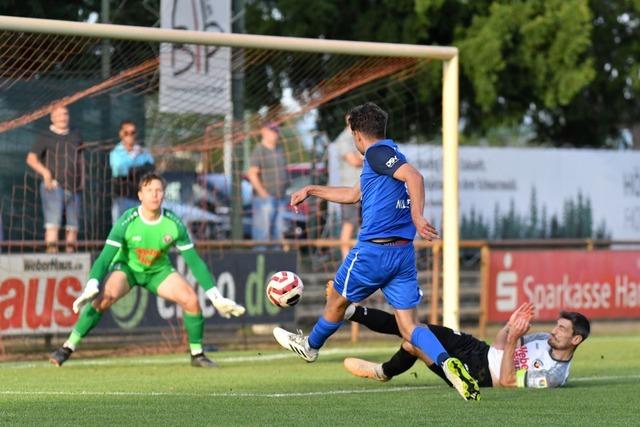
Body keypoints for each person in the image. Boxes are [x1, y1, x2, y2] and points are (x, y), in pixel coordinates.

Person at [273, 102, 480, 401]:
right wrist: (312, 189)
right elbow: (354, 195)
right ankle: (448, 363)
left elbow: (415, 177)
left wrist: (418, 217)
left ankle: (310, 347)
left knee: (336, 301)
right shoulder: (388, 156)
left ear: (357, 135)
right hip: (402, 254)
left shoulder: (375, 153)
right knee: (410, 327)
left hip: (373, 252)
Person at [49, 173, 245, 368]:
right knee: (104, 298)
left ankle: (197, 355)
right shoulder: (127, 220)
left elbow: (194, 262)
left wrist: (215, 296)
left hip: (158, 271)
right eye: (149, 190)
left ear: (164, 195)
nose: (154, 195)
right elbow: (105, 257)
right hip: (128, 269)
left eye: (158, 190)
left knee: (192, 300)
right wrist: (92, 284)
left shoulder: (173, 223)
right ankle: (68, 347)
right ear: (140, 195)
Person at [343, 302, 590, 389]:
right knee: (416, 328)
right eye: (557, 325)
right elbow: (500, 346)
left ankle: (382, 372)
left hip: (476, 375)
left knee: (412, 344)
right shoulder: (542, 339)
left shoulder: (554, 375)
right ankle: (351, 310)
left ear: (576, 340)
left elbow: (506, 382)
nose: (554, 331)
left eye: (562, 329)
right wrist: (509, 327)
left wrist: (513, 339)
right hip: (480, 349)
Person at [26, 105, 83, 253]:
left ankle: (71, 265)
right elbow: (31, 159)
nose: (62, 117)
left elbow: (80, 159)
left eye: (65, 114)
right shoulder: (45, 135)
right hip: (53, 188)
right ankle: (53, 262)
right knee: (53, 226)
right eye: (58, 115)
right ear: (52, 117)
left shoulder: (76, 134)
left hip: (75, 189)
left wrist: (81, 181)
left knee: (73, 229)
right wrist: (45, 173)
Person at [246, 122, 289, 242]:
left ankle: (275, 261)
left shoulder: (280, 150)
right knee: (262, 234)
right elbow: (252, 173)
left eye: (276, 131)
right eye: (272, 131)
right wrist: (263, 194)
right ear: (264, 132)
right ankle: (260, 260)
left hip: (280, 198)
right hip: (264, 199)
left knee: (278, 233)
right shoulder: (259, 150)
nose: (275, 134)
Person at [109, 120, 155, 224]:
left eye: (132, 132)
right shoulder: (116, 152)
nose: (129, 135)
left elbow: (151, 166)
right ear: (121, 134)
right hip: (122, 198)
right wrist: (139, 167)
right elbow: (120, 169)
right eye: (126, 133)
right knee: (121, 231)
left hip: (140, 199)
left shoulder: (142, 151)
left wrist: (135, 169)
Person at [334, 122, 364, 259]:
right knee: (349, 224)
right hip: (349, 191)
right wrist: (369, 158)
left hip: (363, 190)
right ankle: (346, 261)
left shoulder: (361, 137)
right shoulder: (344, 139)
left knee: (365, 227)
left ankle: (361, 260)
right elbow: (354, 161)